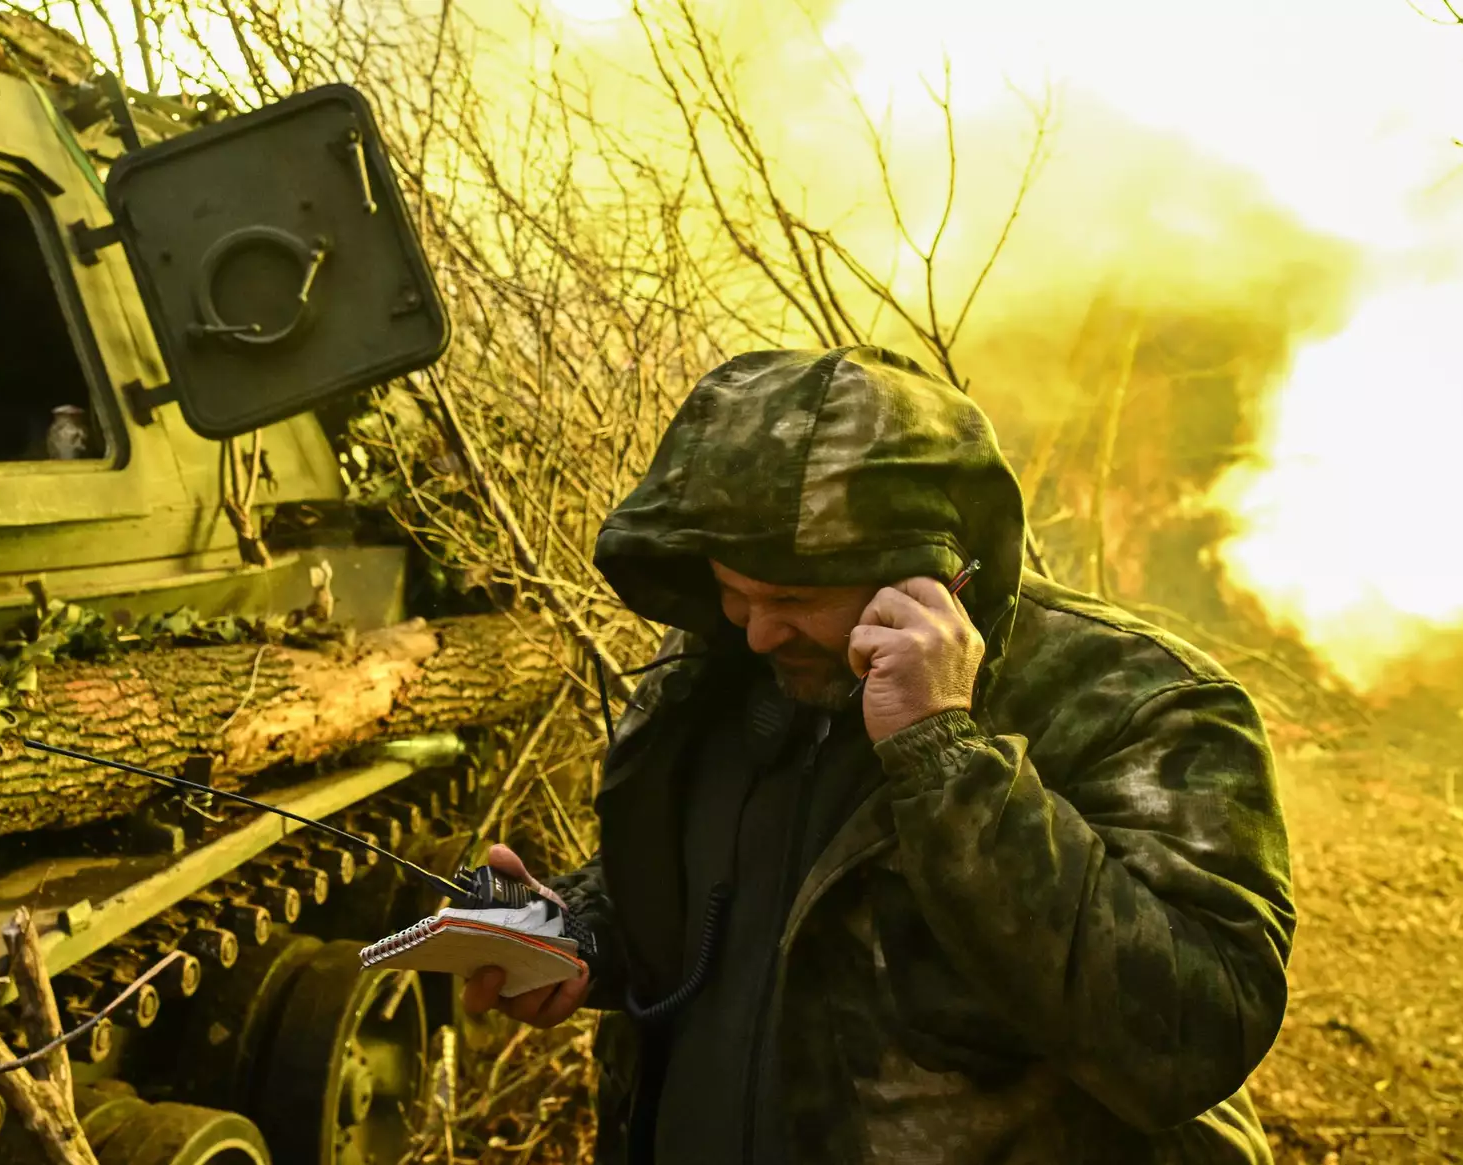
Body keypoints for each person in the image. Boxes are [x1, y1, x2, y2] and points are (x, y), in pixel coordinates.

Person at [461, 347, 1296, 1164]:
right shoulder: (729, 669)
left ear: (934, 577)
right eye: (732, 590)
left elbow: (1194, 1031)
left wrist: (943, 753)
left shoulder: (1138, 702)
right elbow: (726, 894)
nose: (756, 629)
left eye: (791, 598)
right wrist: (576, 928)